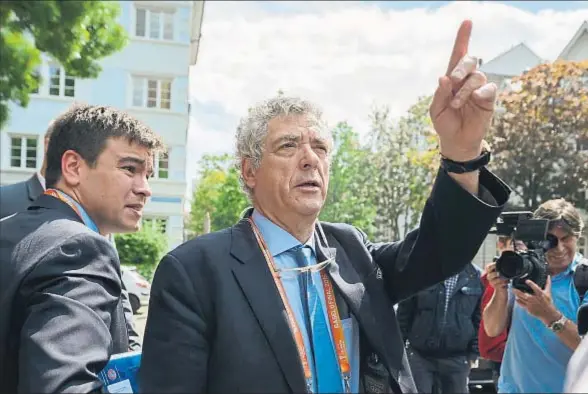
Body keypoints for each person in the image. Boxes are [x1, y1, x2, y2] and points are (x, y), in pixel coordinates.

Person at [140, 20, 510, 393]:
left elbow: (442, 250)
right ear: (249, 170)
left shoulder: (350, 250)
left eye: (320, 148)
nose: (309, 159)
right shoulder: (194, 272)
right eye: (288, 145)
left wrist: (462, 155)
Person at [0, 103, 164, 392]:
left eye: (148, 175)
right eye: (129, 169)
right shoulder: (79, 248)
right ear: (74, 167)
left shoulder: (11, 230)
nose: (145, 188)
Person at [0, 121, 142, 352]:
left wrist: (130, 354)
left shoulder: (99, 220)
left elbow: (119, 298)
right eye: (128, 169)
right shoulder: (7, 202)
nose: (145, 188)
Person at [483, 198, 586, 393]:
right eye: (551, 240)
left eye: (566, 239)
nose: (560, 248)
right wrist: (500, 290)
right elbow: (492, 329)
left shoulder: (584, 279)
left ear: (577, 237)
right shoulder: (522, 269)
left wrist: (550, 316)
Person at [397, 262, 483, 393]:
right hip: (420, 356)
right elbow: (404, 313)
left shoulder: (476, 277)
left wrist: (473, 354)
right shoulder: (421, 272)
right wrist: (399, 351)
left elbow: (480, 319)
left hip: (458, 359)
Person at [478, 236, 524, 387]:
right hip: (503, 361)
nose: (523, 250)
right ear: (501, 245)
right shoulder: (491, 280)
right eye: (516, 245)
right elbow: (489, 337)